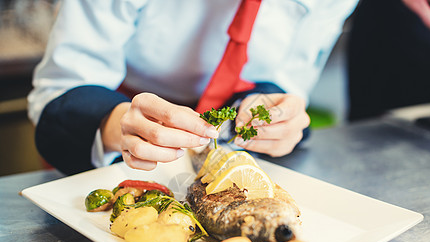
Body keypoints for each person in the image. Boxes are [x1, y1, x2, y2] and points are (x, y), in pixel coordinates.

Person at [28, 0, 359, 175]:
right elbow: (60, 88)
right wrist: (114, 124)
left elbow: (289, 78)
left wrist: (279, 115)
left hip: (231, 148)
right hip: (117, 137)